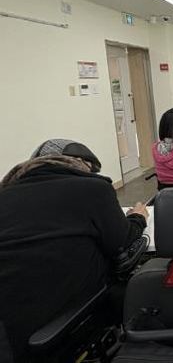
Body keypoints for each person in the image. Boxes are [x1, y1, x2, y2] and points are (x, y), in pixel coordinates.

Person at [0, 139, 148, 360]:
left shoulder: (5, 195)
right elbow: (122, 241)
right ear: (79, 161)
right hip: (62, 319)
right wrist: (137, 218)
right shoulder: (93, 188)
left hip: (9, 328)